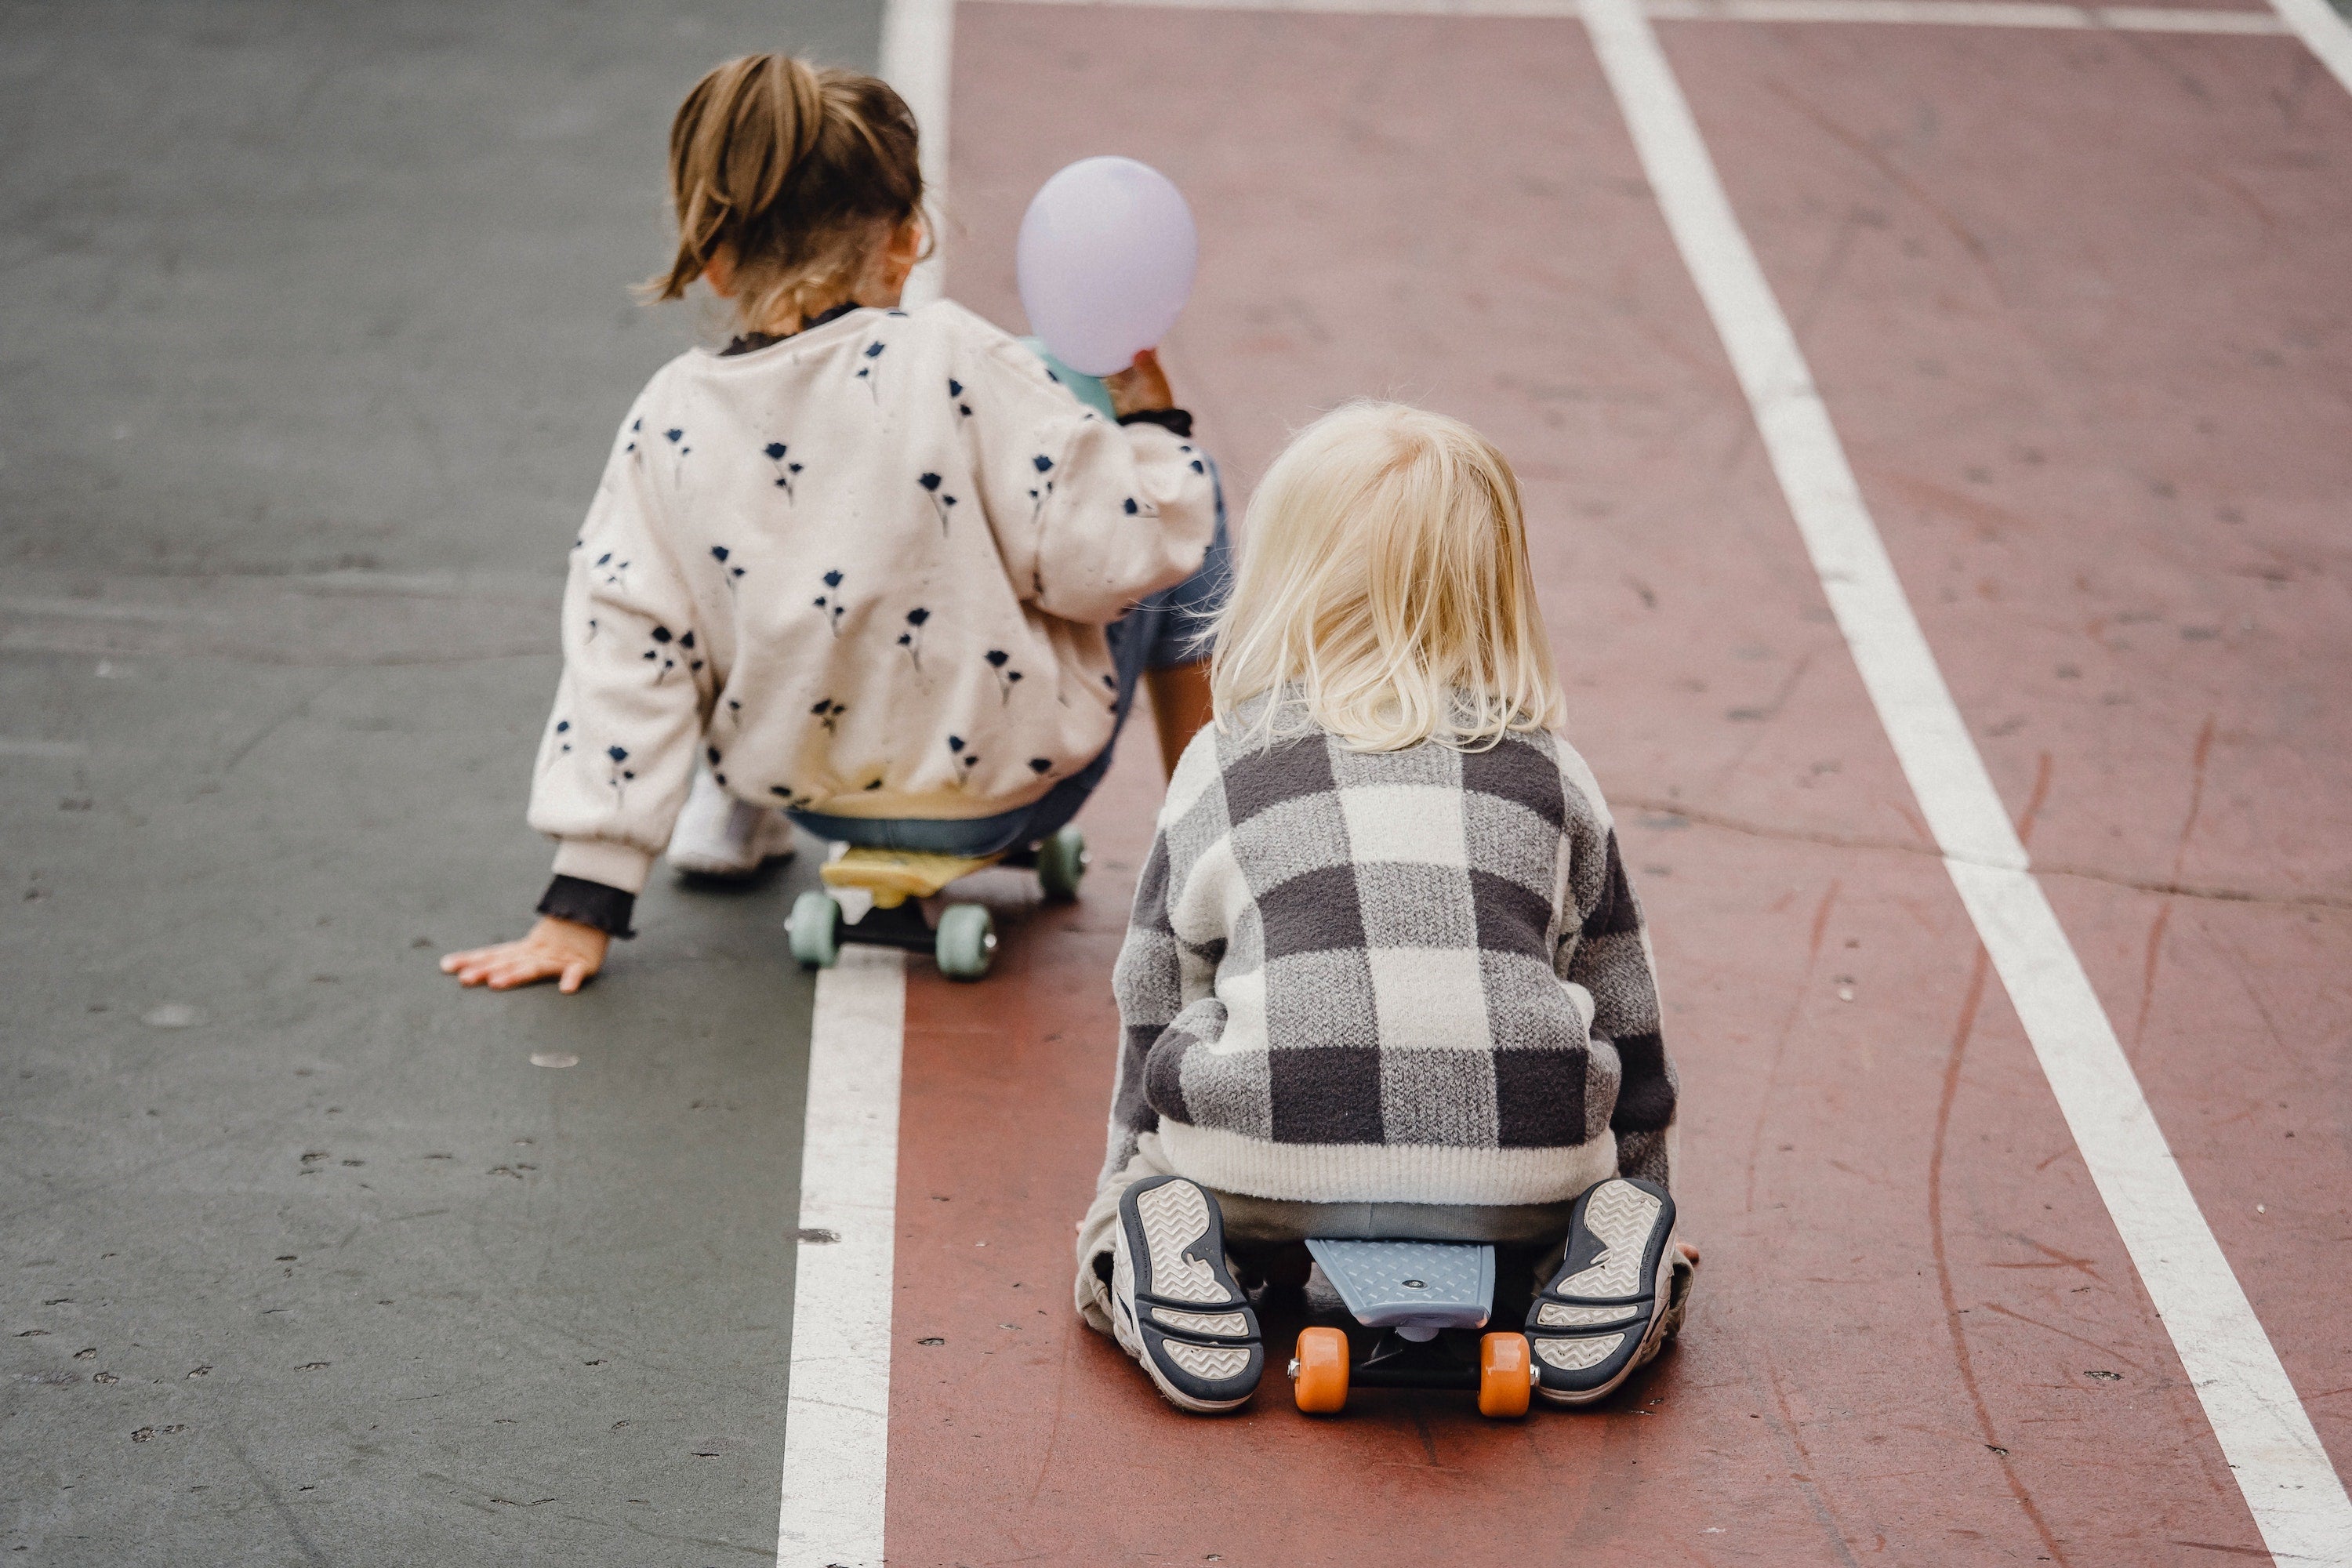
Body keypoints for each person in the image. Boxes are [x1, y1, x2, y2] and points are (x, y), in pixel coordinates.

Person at [441, 53, 1225, 994]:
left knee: (730, 581)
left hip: (816, 797)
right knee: (1184, 498)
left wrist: (583, 903)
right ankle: (1208, 845)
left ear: (718, 261)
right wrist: (1151, 428)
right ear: (906, 240)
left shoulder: (670, 412)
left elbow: (629, 641)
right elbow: (1116, 561)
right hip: (998, 797)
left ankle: (730, 812)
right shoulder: (955, 358)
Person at [1074, 402, 1697, 1414]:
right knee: (1586, 1188)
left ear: (1281, 580)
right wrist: (1639, 1182)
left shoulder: (1224, 762)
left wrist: (1128, 1171)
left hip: (1260, 1164)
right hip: (1523, 1179)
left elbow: (1154, 981)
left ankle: (1150, 1239)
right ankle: (1605, 1248)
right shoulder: (1553, 771)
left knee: (1157, 1179)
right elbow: (1623, 996)